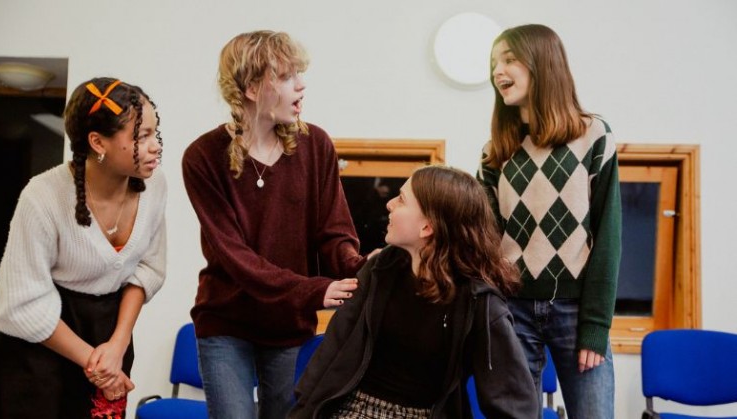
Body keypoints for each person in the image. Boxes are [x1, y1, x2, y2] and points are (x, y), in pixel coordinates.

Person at [182, 30, 367, 419]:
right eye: (286, 76)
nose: (301, 85)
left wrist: (361, 268)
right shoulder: (202, 157)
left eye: (299, 73)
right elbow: (237, 259)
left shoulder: (315, 145)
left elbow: (333, 232)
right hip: (226, 322)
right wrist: (314, 289)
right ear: (251, 88)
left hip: (288, 324)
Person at [290, 165, 538, 419]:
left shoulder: (480, 302)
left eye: (401, 199)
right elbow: (332, 353)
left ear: (427, 228)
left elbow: (514, 402)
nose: (389, 204)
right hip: (352, 410)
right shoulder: (379, 268)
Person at [0, 77, 166, 418]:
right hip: (38, 342)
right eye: (141, 136)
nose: (155, 145)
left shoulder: (155, 186)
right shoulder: (41, 197)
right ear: (98, 142)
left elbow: (148, 269)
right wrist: (94, 361)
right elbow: (20, 306)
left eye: (154, 133)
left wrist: (117, 345)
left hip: (108, 336)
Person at [477, 24, 622, 419]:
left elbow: (608, 237)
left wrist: (596, 325)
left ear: (543, 63)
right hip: (512, 310)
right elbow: (483, 240)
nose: (497, 72)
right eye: (494, 63)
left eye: (509, 59)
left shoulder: (593, 135)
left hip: (577, 312)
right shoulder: (495, 152)